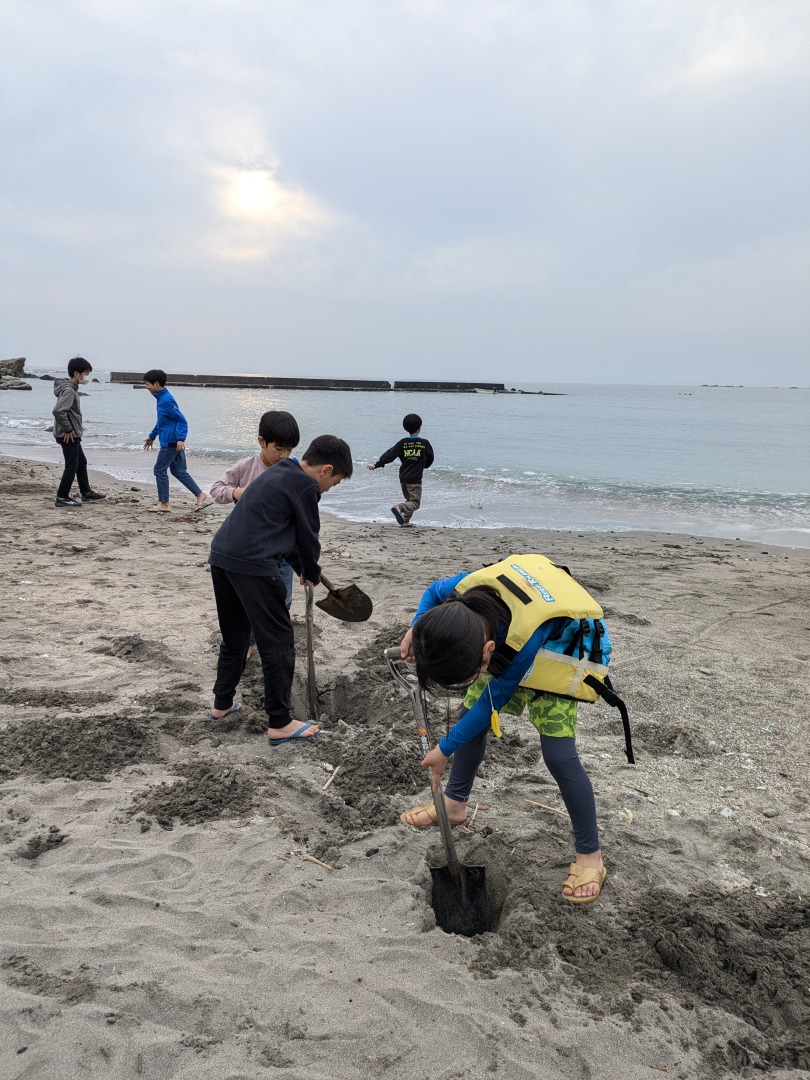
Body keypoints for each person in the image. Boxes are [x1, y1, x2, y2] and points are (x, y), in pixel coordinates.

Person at [398, 554, 610, 905]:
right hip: (506, 634)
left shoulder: (525, 639)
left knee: (559, 755)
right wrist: (418, 628)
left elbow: (491, 701)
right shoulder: (465, 590)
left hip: (559, 651)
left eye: (477, 670)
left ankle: (591, 857)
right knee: (468, 716)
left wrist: (444, 748)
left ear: (488, 651)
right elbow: (433, 592)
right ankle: (454, 805)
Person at [208, 435, 352, 745]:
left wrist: (300, 568)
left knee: (235, 635)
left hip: (222, 555)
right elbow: (308, 538)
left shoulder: (278, 472)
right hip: (255, 563)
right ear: (326, 470)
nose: (329, 489)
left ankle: (222, 703)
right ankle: (280, 722)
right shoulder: (307, 486)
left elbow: (278, 531)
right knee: (278, 642)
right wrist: (311, 570)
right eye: (335, 482)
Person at [210, 409, 300, 612]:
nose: (284, 455)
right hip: (251, 550)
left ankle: (277, 628)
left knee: (283, 598)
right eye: (279, 448)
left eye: (289, 449)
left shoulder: (293, 470)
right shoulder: (246, 467)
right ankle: (252, 632)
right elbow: (216, 490)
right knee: (251, 600)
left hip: (283, 550)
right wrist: (237, 493)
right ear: (262, 442)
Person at [142, 369, 211, 513]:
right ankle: (200, 494)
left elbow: (182, 420)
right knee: (178, 470)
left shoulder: (166, 400)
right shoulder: (162, 398)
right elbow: (162, 421)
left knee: (159, 470)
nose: (146, 387)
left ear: (156, 384)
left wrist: (181, 439)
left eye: (147, 384)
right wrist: (152, 436)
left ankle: (164, 503)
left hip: (171, 442)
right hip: (172, 441)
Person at [52, 356, 107, 508]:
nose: (86, 376)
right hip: (67, 435)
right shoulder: (69, 390)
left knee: (81, 463)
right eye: (85, 373)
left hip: (72, 433)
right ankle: (62, 497)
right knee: (72, 466)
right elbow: (58, 411)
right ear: (76, 374)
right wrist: (68, 429)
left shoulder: (71, 388)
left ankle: (86, 492)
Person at [367, 413, 434, 526]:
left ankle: (405, 521)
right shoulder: (424, 443)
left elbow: (390, 455)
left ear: (405, 428)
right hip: (415, 479)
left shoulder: (403, 443)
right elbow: (430, 458)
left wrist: (377, 464)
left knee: (409, 500)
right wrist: (424, 465)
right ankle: (398, 507)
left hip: (403, 478)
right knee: (415, 503)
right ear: (419, 428)